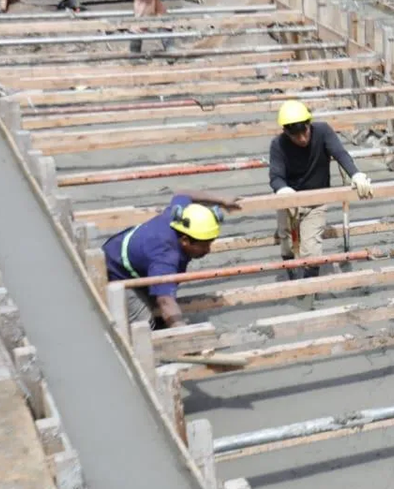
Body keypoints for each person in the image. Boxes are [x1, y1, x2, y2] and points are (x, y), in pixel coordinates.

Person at [268, 100, 375, 280]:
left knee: (311, 250)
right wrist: (282, 189)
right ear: (286, 132)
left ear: (309, 124)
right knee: (286, 243)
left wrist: (356, 174)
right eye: (296, 136)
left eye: (304, 132)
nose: (302, 139)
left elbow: (340, 153)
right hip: (289, 200)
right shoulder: (278, 145)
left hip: (316, 201)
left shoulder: (323, 131)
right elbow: (275, 176)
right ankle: (292, 276)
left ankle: (311, 285)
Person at [102, 192, 240, 328]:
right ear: (185, 240)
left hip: (128, 252)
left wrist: (222, 200)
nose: (208, 250)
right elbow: (165, 301)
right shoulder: (164, 257)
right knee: (144, 325)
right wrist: (183, 331)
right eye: (203, 245)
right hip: (116, 272)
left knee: (161, 296)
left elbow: (184, 194)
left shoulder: (179, 217)